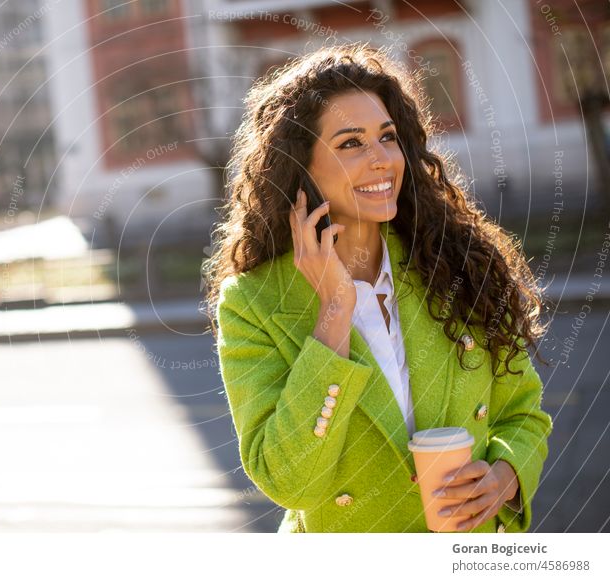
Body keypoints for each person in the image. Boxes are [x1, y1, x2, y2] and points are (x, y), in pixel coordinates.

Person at [204, 43, 553, 533]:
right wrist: (335, 310)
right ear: (301, 166)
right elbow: (289, 482)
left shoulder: (455, 261)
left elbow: (523, 412)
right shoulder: (253, 303)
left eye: (387, 137)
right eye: (350, 144)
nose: (381, 160)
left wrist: (505, 476)